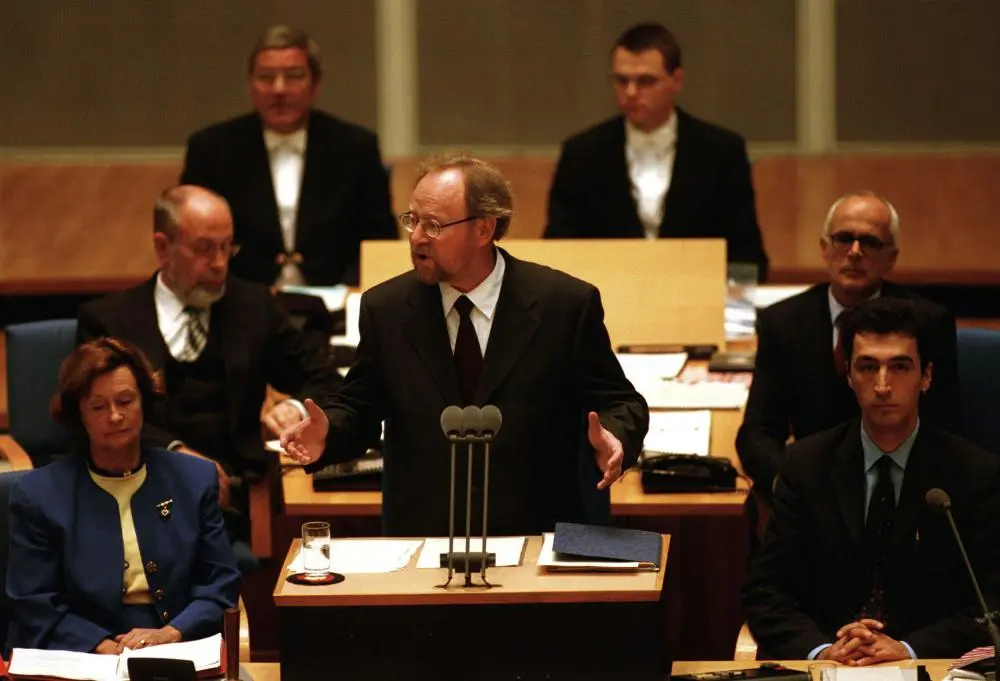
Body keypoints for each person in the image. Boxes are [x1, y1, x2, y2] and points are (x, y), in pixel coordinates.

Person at [279, 153, 649, 537]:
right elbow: (360, 407)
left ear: (484, 230)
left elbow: (622, 402)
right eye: (413, 220)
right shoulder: (386, 309)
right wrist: (327, 434)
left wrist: (614, 436)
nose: (417, 237)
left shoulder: (564, 305)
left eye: (434, 225)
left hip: (538, 536)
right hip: (426, 538)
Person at [77, 185, 342, 570]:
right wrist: (176, 455)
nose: (219, 263)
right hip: (135, 490)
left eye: (227, 247)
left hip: (233, 501)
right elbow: (93, 415)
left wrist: (295, 406)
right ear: (163, 247)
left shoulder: (253, 307)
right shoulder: (108, 320)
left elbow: (326, 378)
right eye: (204, 248)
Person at [742, 297, 1000, 662]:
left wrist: (910, 649)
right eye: (867, 367)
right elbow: (766, 592)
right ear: (848, 375)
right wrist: (821, 650)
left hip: (930, 666)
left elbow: (993, 601)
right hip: (829, 666)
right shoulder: (806, 465)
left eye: (899, 367)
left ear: (925, 376)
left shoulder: (974, 474)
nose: (882, 385)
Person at [6, 337, 240, 653]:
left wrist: (172, 633)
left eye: (126, 401)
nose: (115, 416)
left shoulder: (193, 479)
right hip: (81, 653)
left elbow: (220, 584)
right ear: (79, 415)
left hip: (178, 646)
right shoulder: (38, 495)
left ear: (144, 402)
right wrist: (103, 647)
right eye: (98, 406)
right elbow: (34, 603)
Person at [737, 192, 960, 502]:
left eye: (869, 242)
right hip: (810, 490)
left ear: (891, 258)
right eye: (844, 239)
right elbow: (757, 434)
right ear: (825, 249)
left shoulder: (928, 322)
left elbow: (943, 428)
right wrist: (790, 486)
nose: (855, 252)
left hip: (897, 491)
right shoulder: (783, 322)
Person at [544, 22, 768, 280]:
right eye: (621, 80)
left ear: (677, 80)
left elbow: (744, 249)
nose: (630, 92)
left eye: (645, 81)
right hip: (607, 302)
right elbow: (560, 246)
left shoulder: (722, 151)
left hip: (696, 297)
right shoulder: (581, 153)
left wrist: (737, 320)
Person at [180, 25, 397, 287]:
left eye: (294, 76)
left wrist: (347, 293)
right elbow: (192, 240)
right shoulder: (211, 149)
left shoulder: (356, 147)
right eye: (266, 77)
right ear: (250, 84)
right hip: (240, 302)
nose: (279, 89)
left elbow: (379, 241)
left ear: (315, 84)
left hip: (335, 296)